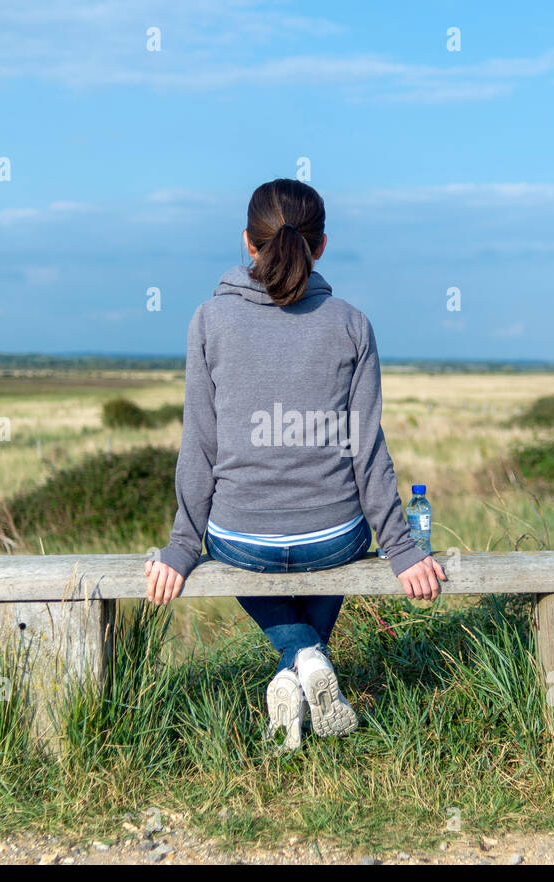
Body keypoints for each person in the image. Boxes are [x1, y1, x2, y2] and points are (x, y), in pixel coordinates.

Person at [144, 178, 446, 749]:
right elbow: (368, 450)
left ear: (247, 242)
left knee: (234, 542)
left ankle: (296, 661)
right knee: (342, 536)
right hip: (335, 539)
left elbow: (199, 444)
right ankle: (307, 659)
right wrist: (402, 550)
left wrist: (184, 545)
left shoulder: (208, 321)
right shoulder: (353, 323)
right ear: (323, 245)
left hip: (239, 541)